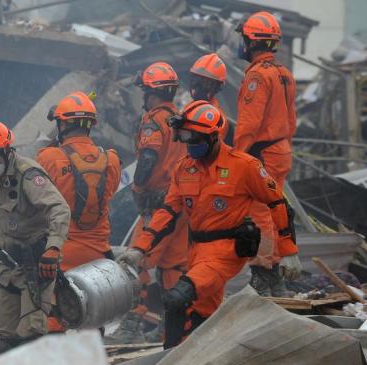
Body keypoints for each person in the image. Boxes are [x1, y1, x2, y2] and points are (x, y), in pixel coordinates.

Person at [118, 100, 300, 348]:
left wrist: (288, 252)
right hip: (196, 250)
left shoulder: (244, 166)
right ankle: (207, 356)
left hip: (224, 251)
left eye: (195, 140)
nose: (190, 146)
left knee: (177, 299)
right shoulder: (185, 169)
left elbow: (278, 203)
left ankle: (168, 359)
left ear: (214, 136)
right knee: (200, 315)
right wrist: (139, 248)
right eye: (187, 140)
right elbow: (169, 211)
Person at [0, 117, 70, 354]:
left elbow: (59, 209)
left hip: (35, 268)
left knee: (30, 337)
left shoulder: (28, 175)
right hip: (8, 269)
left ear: (4, 150)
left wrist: (53, 248)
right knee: (6, 339)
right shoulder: (0, 178)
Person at [110, 62, 189, 343]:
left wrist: (139, 186)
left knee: (134, 262)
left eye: (144, 91)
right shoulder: (179, 118)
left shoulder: (155, 121)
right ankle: (171, 329)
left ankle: (130, 326)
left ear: (152, 93)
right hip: (178, 202)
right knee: (173, 267)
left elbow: (148, 157)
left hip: (156, 205)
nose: (142, 97)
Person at [35, 91, 121, 332]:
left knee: (54, 318)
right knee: (92, 321)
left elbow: (35, 203)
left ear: (62, 125)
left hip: (60, 255)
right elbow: (110, 192)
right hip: (98, 257)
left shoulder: (49, 158)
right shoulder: (111, 159)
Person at [235, 11, 300, 296]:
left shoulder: (257, 77)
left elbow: (249, 124)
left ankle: (263, 272)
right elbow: (292, 119)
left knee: (258, 212)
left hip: (262, 152)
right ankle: (273, 274)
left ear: (251, 41)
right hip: (281, 149)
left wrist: (236, 157)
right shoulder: (284, 74)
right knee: (275, 210)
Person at [189, 52, 229, 142]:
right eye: (195, 79)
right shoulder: (188, 109)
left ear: (217, 87)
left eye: (205, 83)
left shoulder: (219, 119)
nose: (197, 85)